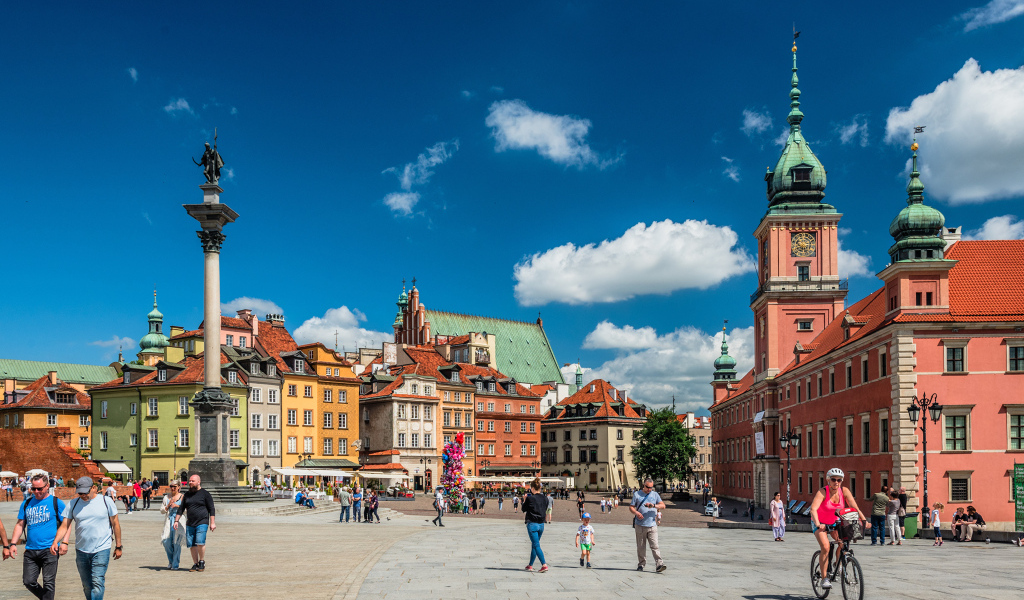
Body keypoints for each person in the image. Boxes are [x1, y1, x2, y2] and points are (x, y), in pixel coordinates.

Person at [52, 477, 122, 600]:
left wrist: (118, 546)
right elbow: (64, 525)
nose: (83, 495)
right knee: (86, 585)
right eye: (80, 493)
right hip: (81, 550)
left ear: (94, 488)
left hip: (102, 548)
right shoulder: (73, 504)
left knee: (97, 582)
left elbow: (115, 523)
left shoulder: (106, 501)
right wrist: (55, 542)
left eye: (85, 492)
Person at [9, 474, 66, 600]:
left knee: (48, 583)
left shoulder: (56, 502)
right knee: (28, 581)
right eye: (33, 489)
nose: (36, 492)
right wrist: (13, 544)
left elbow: (66, 524)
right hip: (30, 550)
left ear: (47, 486)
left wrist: (64, 542)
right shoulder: (27, 503)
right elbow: (20, 525)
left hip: (50, 549)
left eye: (39, 489)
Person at [809, 468, 866, 590]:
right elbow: (813, 509)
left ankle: (837, 563)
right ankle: (824, 578)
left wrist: (864, 521)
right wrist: (819, 524)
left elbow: (854, 507)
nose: (836, 482)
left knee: (843, 543)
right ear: (828, 480)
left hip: (835, 522)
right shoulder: (822, 492)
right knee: (825, 547)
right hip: (820, 522)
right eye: (834, 479)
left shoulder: (844, 491)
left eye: (839, 480)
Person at [173, 474, 216, 573]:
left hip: (202, 521)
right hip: (190, 523)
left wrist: (212, 523)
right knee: (192, 544)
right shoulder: (187, 495)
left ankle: (201, 561)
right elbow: (181, 508)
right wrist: (176, 521)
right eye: (190, 481)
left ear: (198, 482)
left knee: (200, 542)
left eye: (192, 481)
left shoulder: (205, 494)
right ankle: (195, 563)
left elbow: (211, 509)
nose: (190, 482)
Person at [629, 477, 667, 573]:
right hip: (640, 525)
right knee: (641, 546)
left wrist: (654, 505)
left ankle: (659, 564)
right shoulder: (637, 494)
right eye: (647, 487)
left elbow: (663, 505)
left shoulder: (655, 495)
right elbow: (631, 507)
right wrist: (637, 513)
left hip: (652, 525)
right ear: (643, 485)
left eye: (651, 487)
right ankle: (641, 564)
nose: (649, 489)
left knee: (655, 545)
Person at [521, 478, 549, 572]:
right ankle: (530, 565)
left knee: (536, 545)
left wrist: (525, 500)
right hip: (541, 525)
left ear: (532, 488)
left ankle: (544, 564)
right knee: (534, 544)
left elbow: (523, 509)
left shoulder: (530, 498)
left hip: (532, 524)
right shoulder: (545, 498)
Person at [160, 482, 185, 569]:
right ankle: (171, 560)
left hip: (179, 521)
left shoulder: (182, 497)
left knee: (177, 543)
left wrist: (177, 506)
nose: (173, 488)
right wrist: (167, 506)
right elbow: (162, 510)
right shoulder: (166, 497)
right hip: (169, 521)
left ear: (179, 487)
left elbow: (187, 510)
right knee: (166, 541)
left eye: (174, 486)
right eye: (171, 486)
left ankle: (175, 564)